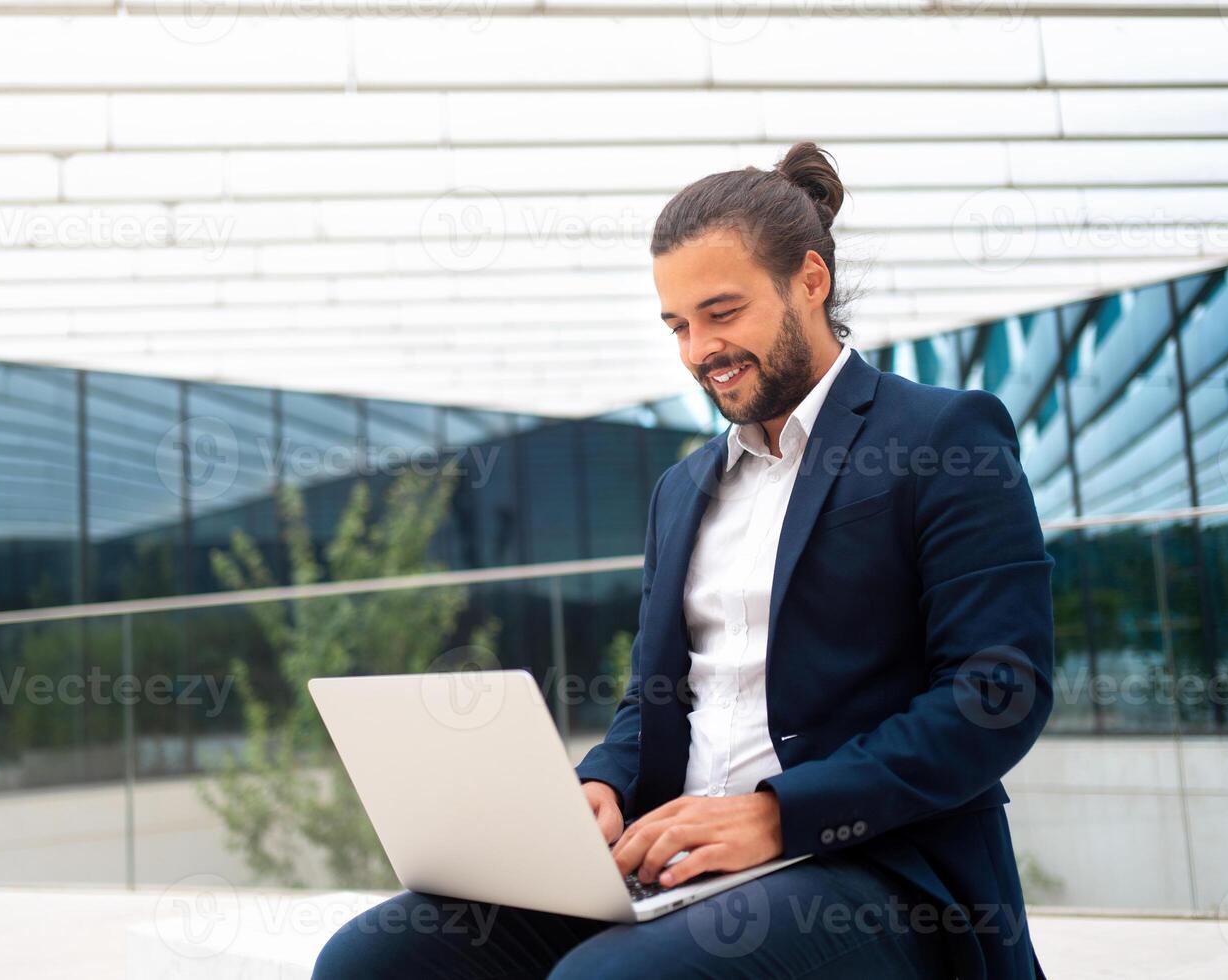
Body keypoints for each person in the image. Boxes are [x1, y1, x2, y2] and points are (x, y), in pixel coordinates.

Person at [313, 141, 1054, 979]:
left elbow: (995, 691)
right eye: (677, 325)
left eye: (722, 311)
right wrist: (602, 786)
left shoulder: (942, 437)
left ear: (810, 282)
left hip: (868, 867)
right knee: (373, 959)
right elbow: (655, 702)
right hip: (676, 855)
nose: (699, 349)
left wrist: (777, 814)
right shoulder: (684, 488)